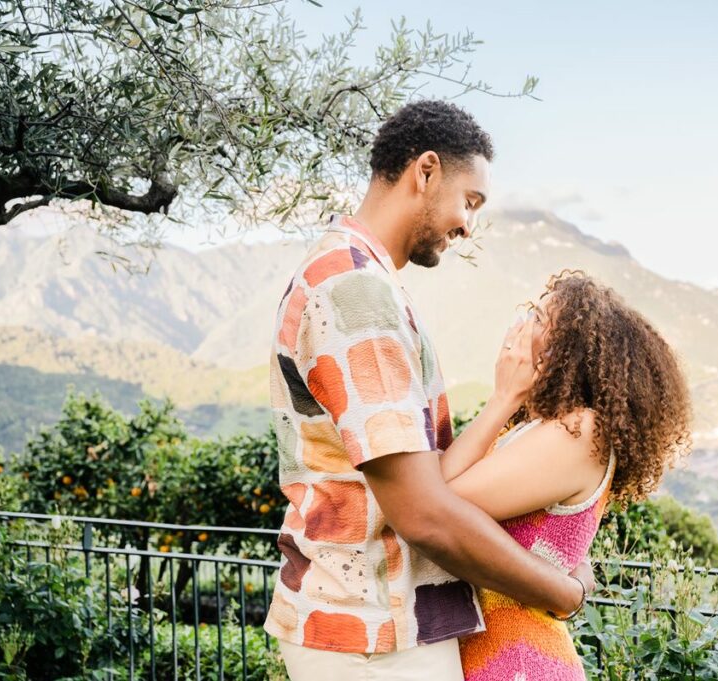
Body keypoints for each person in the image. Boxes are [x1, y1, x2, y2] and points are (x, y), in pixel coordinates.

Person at [263, 100, 593, 681]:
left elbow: (427, 478)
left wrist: (502, 402)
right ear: (426, 171)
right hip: (373, 632)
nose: (468, 225)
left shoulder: (361, 278)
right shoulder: (355, 293)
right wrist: (561, 593)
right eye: (470, 201)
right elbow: (422, 514)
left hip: (375, 626)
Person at [445, 271, 693, 680]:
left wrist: (503, 396)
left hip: (518, 662)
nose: (523, 326)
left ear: (570, 350)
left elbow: (439, 505)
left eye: (540, 318)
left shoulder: (581, 432)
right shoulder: (547, 427)